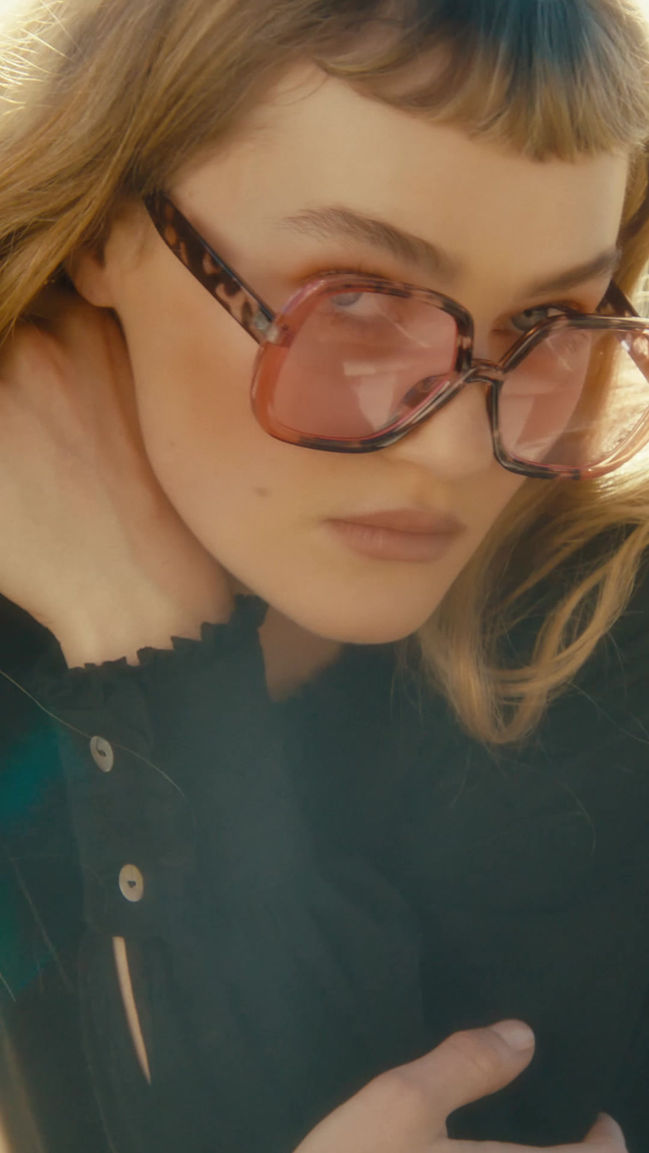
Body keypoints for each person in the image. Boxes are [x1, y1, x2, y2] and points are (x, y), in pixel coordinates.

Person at [1, 0, 649, 1150]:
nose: (455, 449)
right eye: (350, 303)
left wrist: (147, 634)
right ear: (107, 230)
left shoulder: (605, 663)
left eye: (551, 323)